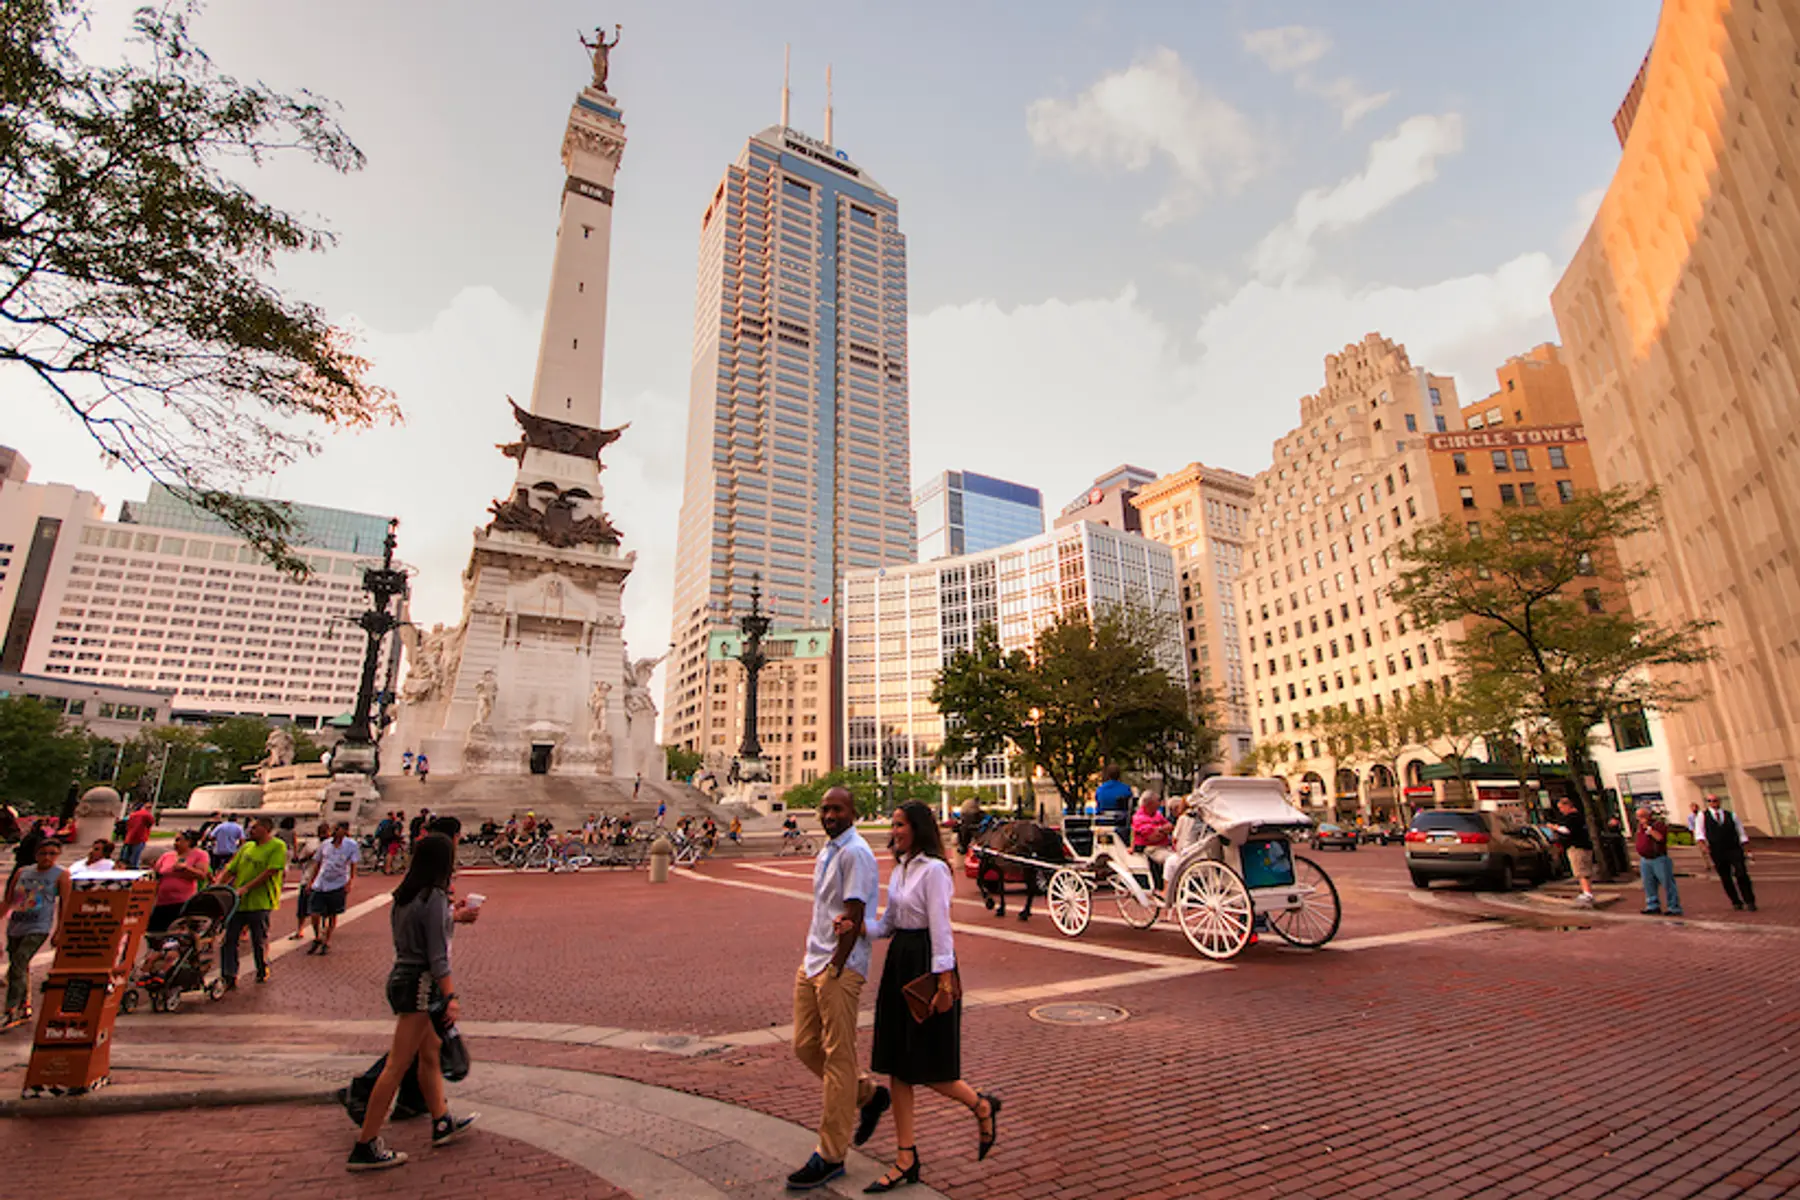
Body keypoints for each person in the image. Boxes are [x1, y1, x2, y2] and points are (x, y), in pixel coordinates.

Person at [845, 802, 1000, 1192]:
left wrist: (943, 981)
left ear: (917, 828)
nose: (894, 831)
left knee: (929, 1066)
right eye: (893, 825)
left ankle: (980, 1104)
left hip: (927, 964)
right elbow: (890, 925)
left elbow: (941, 928)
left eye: (900, 825)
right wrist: (858, 927)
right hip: (900, 962)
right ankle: (905, 1157)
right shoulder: (899, 871)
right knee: (898, 1066)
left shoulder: (933, 871)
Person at [345, 833, 477, 1171]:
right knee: (396, 1065)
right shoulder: (433, 897)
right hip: (420, 983)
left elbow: (419, 937)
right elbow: (436, 955)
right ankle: (366, 1144)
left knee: (430, 1054)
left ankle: (442, 1120)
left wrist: (452, 918)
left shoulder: (405, 895)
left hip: (403, 975)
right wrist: (450, 995)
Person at [785, 786, 887, 1191]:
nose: (829, 814)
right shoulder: (828, 849)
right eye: (825, 808)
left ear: (853, 812)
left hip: (838, 967)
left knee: (838, 1055)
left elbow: (855, 912)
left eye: (837, 808)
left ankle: (830, 1153)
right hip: (814, 961)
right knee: (804, 1044)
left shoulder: (855, 853)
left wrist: (836, 967)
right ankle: (868, 1095)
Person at [214, 816, 289, 988]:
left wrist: (247, 887)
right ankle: (229, 974)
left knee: (259, 939)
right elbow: (231, 869)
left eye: (254, 828)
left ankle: (262, 968)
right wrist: (218, 885)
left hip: (261, 901)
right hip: (239, 902)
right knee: (229, 939)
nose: (250, 831)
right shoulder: (247, 847)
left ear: (265, 829)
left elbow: (271, 871)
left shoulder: (277, 846)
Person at [5, 838, 70, 1028]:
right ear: (36, 854)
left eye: (52, 854)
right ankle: (25, 1006)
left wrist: (59, 930)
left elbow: (65, 905)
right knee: (18, 965)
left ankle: (11, 1008)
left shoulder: (61, 875)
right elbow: (9, 899)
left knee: (19, 962)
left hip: (39, 927)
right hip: (16, 924)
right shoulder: (22, 872)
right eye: (43, 853)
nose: (47, 858)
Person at [1694, 793, 1756, 911]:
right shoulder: (1702, 816)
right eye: (1710, 801)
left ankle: (1749, 900)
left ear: (1719, 801)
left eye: (1715, 800)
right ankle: (1735, 901)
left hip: (1733, 847)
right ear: (1707, 803)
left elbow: (1741, 832)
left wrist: (1746, 847)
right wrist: (1703, 846)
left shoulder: (1731, 815)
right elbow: (1699, 833)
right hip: (1717, 850)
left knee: (1741, 873)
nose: (1713, 803)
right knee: (1725, 876)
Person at [308, 821, 361, 954]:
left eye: (338, 829)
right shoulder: (325, 844)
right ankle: (317, 936)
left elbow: (353, 864)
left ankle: (326, 940)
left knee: (333, 913)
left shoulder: (351, 845)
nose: (335, 831)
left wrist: (350, 882)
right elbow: (318, 862)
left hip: (338, 882)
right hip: (321, 882)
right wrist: (311, 881)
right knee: (314, 912)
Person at [149, 831, 211, 933]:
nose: (175, 843)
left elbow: (202, 875)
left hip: (182, 901)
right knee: (154, 931)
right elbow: (156, 873)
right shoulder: (167, 856)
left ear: (188, 842)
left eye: (178, 840)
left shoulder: (200, 855)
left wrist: (186, 868)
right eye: (175, 840)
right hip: (162, 901)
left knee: (175, 932)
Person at [1546, 797, 1596, 905]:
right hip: (1585, 846)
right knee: (1585, 871)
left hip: (1577, 846)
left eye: (1561, 807)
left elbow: (1567, 830)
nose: (1561, 810)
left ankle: (1587, 893)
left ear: (1567, 806)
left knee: (1581, 871)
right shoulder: (1580, 816)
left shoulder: (1572, 818)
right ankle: (1587, 891)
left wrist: (1555, 828)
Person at [1634, 806, 1682, 916]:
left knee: (1667, 883)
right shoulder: (1639, 827)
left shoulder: (1658, 825)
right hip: (1645, 859)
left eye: (1642, 816)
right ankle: (1652, 904)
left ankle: (1673, 906)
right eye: (1638, 816)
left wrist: (1649, 829)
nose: (1639, 819)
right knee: (1648, 884)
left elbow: (1660, 838)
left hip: (1658, 858)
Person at [291, 821, 329, 941]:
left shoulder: (332, 845)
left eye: (325, 832)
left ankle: (323, 930)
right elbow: (300, 860)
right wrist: (312, 855)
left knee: (324, 909)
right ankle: (300, 929)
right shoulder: (312, 844)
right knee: (302, 907)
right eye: (321, 832)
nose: (323, 834)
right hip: (308, 878)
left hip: (325, 881)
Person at [1131, 793, 1174, 886]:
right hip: (1150, 848)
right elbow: (1152, 837)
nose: (1160, 803)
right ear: (1150, 804)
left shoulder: (1158, 814)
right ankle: (1165, 888)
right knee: (1171, 860)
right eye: (1158, 801)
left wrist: (1159, 830)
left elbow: (1170, 826)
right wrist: (1163, 830)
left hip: (1165, 846)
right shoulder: (1139, 818)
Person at [1093, 765, 1132, 833]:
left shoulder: (1100, 789)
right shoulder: (1126, 789)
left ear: (1108, 775)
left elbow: (1098, 807)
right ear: (1119, 775)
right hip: (1121, 823)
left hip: (1104, 822)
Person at [120, 801, 155, 870]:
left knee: (125, 859)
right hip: (140, 838)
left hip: (129, 838)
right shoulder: (146, 814)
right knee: (134, 859)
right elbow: (151, 822)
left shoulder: (132, 815)